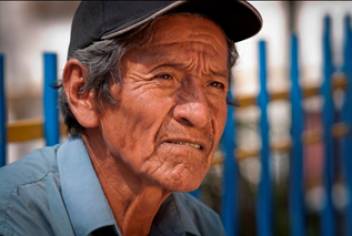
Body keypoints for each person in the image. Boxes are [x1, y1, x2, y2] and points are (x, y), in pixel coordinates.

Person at [0, 1, 262, 236]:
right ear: (83, 92)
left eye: (215, 84)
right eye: (165, 77)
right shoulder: (14, 218)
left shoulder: (202, 226)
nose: (200, 114)